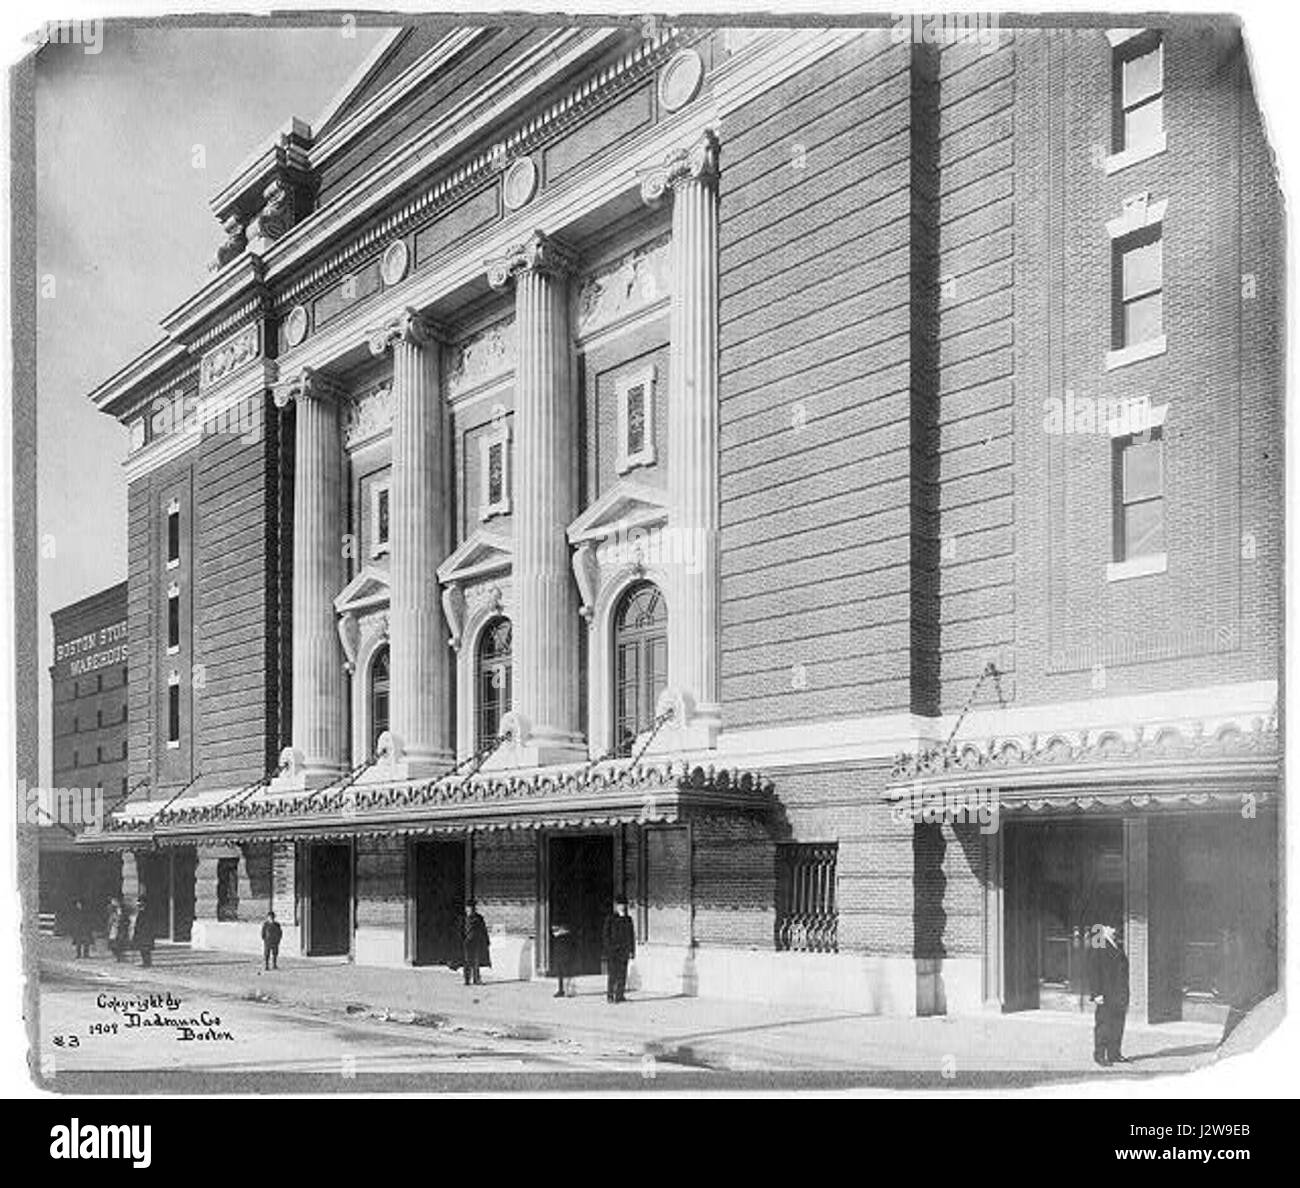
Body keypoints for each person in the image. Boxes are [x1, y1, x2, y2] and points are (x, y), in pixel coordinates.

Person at [1089, 923, 1130, 1066]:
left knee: (1118, 1024)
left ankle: (1114, 1054)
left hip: (1119, 994)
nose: (1115, 930)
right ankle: (1099, 1055)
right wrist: (1096, 993)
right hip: (1105, 994)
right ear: (1103, 930)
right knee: (1104, 1025)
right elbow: (1093, 970)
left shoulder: (1117, 945)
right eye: (1111, 927)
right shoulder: (1098, 944)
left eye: (1115, 927)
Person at [602, 895, 636, 1004]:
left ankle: (620, 995)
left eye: (624, 905)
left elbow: (631, 936)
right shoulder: (610, 919)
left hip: (624, 950)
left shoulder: (628, 919)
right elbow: (606, 935)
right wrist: (609, 949)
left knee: (622, 973)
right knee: (612, 973)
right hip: (613, 951)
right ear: (616, 906)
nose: (622, 907)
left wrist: (632, 950)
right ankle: (610, 995)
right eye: (620, 905)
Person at [461, 900, 490, 986]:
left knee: (476, 961)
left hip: (477, 942)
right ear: (466, 909)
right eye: (469, 908)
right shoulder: (463, 919)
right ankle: (467, 979)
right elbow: (460, 931)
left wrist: (487, 940)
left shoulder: (479, 918)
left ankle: (477, 979)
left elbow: (483, 929)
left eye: (472, 908)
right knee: (467, 961)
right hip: (467, 942)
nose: (470, 910)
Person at [551, 922, 573, 998]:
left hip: (566, 952)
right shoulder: (558, 933)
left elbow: (568, 933)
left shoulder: (566, 933)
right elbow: (554, 933)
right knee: (560, 972)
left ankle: (568, 990)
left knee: (566, 972)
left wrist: (562, 931)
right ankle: (561, 990)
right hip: (559, 952)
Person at [132, 896, 154, 968]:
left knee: (145, 948)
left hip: (146, 933)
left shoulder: (147, 912)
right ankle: (145, 962)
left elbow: (148, 923)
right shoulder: (140, 913)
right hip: (141, 933)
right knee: (142, 948)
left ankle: (147, 963)